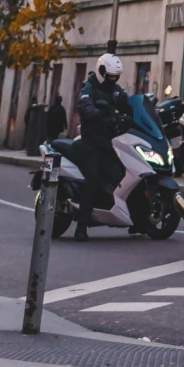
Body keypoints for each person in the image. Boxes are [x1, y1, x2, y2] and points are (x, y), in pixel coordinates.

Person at [72, 53, 135, 235]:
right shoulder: (88, 90)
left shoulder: (116, 90)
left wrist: (133, 115)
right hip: (92, 142)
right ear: (101, 72)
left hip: (113, 142)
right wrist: (100, 114)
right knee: (93, 178)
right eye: (110, 76)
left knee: (125, 173)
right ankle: (82, 225)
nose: (113, 80)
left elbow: (127, 105)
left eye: (116, 77)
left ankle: (136, 218)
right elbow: (85, 108)